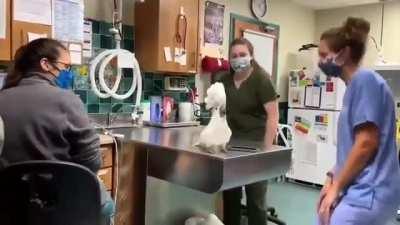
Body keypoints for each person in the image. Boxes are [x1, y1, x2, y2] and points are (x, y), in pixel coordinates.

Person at [0, 38, 115, 223]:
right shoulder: (67, 100)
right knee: (107, 205)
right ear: (45, 64)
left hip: (12, 206)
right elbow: (91, 161)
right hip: (63, 202)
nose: (69, 73)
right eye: (66, 67)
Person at [316, 17, 400, 225]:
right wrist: (331, 178)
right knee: (322, 218)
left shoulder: (366, 80)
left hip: (371, 190)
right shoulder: (352, 88)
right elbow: (351, 147)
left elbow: (366, 144)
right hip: (357, 187)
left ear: (343, 54)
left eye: (324, 54)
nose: (319, 61)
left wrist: (336, 188)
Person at [219, 38, 279, 225]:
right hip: (231, 148)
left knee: (256, 201)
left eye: (243, 55)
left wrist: (266, 151)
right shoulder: (225, 81)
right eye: (234, 56)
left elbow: (273, 116)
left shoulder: (261, 79)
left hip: (256, 147)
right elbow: (219, 111)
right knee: (230, 198)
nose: (239, 59)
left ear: (251, 56)